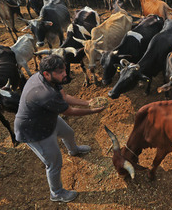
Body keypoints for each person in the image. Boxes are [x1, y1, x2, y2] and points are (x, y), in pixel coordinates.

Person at [14, 55, 105, 202]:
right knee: (54, 163)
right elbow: (69, 111)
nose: (65, 74)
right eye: (61, 72)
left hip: (46, 117)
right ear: (46, 74)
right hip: (33, 130)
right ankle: (56, 193)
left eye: (64, 70)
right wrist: (93, 111)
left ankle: (73, 150)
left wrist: (88, 102)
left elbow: (64, 96)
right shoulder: (46, 93)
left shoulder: (50, 79)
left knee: (68, 133)